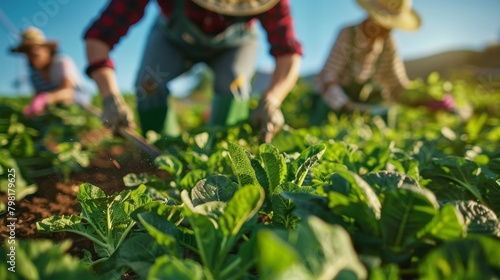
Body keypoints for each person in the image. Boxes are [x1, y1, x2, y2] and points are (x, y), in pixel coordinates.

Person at [83, 0, 302, 143]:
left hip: (235, 45)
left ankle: (222, 152)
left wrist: (272, 100)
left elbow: (288, 52)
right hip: (174, 40)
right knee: (149, 83)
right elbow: (100, 36)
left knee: (233, 82)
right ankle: (163, 149)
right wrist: (109, 96)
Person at [311, 0, 454, 125]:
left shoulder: (388, 44)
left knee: (384, 118)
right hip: (333, 104)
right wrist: (345, 106)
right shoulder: (348, 34)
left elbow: (396, 85)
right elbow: (328, 76)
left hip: (364, 107)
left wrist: (423, 100)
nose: (388, 29)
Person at [10, 27, 90, 117]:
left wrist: (45, 98)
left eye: (34, 54)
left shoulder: (61, 62)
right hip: (54, 112)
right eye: (27, 54)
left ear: (46, 50)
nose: (31, 58)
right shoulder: (34, 74)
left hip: (76, 106)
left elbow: (69, 92)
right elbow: (37, 95)